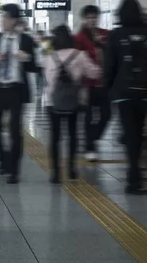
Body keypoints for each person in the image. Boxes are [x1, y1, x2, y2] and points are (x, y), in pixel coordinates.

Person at [104, 0, 147, 194]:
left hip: (124, 93)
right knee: (141, 128)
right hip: (146, 92)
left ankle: (133, 175)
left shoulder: (116, 34)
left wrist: (108, 90)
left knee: (130, 132)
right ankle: (138, 169)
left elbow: (110, 65)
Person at [0, 4, 36, 184]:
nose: (2, 21)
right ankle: (2, 158)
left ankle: (14, 170)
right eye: (1, 17)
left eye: (5, 17)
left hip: (16, 90)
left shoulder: (26, 40)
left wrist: (26, 58)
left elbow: (34, 66)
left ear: (14, 20)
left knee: (15, 131)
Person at [44, 26, 100, 184]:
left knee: (55, 137)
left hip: (52, 101)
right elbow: (94, 73)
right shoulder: (80, 55)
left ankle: (55, 173)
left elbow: (48, 80)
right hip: (75, 101)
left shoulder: (50, 57)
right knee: (73, 135)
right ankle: (71, 169)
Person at [74, 5, 110, 161]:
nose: (92, 21)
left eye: (94, 17)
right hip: (87, 85)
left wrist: (102, 44)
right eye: (88, 18)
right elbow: (77, 61)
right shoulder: (79, 38)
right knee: (88, 117)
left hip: (104, 84)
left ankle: (93, 138)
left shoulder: (106, 35)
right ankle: (89, 147)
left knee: (106, 115)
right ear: (84, 19)